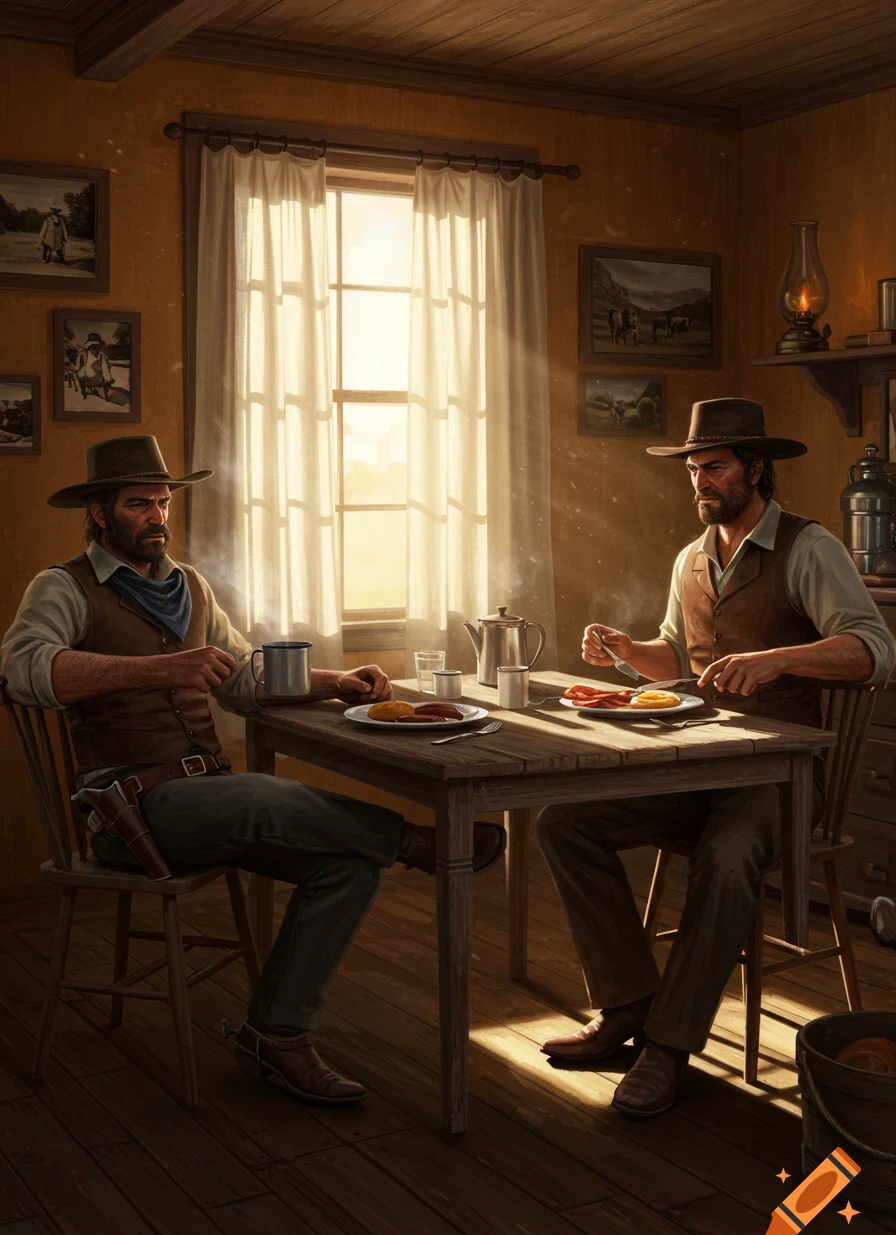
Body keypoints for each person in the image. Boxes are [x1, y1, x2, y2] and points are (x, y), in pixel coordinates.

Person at [1, 436, 505, 1106]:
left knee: (347, 865)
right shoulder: (62, 587)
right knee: (267, 797)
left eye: (162, 502)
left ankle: (276, 1037)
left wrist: (333, 680)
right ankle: (418, 842)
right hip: (128, 812)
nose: (157, 516)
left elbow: (240, 677)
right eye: (137, 504)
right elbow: (20, 668)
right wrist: (163, 669)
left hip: (207, 795)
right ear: (100, 514)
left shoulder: (190, 588)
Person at [537, 399, 895, 1118]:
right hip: (699, 765)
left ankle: (669, 1046)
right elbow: (678, 659)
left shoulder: (808, 548)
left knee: (728, 855)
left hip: (780, 778)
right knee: (563, 823)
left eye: (715, 467)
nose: (700, 481)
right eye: (694, 468)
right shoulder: (691, 559)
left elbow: (876, 650)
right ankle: (629, 1004)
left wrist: (779, 659)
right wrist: (628, 652)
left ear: (755, 471)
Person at [73, 332, 114, 401]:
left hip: (96, 378)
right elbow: (105, 369)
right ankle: (84, 391)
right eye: (94, 346)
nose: (96, 348)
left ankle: (84, 391)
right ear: (90, 346)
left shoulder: (102, 355)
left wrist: (108, 379)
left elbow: (105, 368)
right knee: (82, 371)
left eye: (97, 346)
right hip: (91, 377)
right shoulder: (84, 355)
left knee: (81, 372)